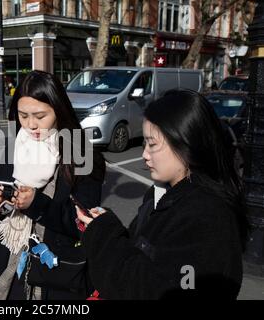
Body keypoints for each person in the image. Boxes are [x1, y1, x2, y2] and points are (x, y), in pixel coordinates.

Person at [77, 89, 248, 299]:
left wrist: (103, 233)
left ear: (185, 142)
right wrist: (105, 225)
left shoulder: (208, 218)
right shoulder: (160, 192)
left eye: (153, 144)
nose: (144, 154)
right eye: (144, 143)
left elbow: (152, 287)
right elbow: (140, 251)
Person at [0, 70, 106, 300]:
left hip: (55, 271)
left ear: (59, 111)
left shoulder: (81, 153)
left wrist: (36, 204)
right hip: (9, 262)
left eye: (40, 116)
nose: (31, 125)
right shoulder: (15, 146)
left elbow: (85, 221)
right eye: (23, 115)